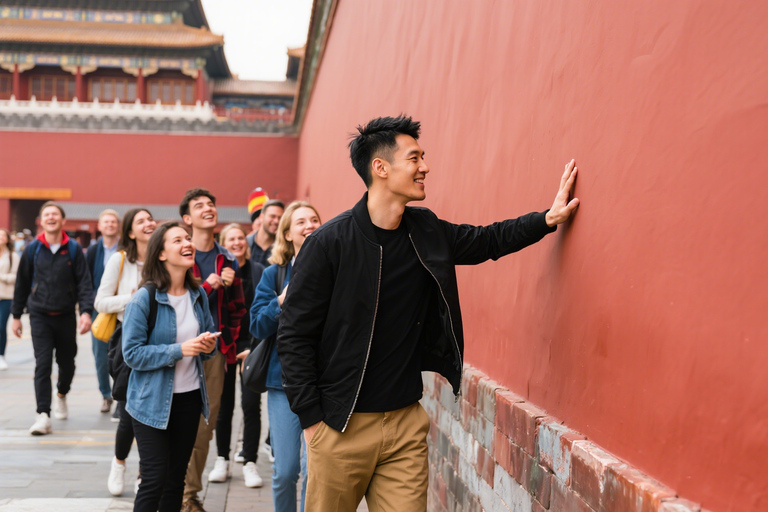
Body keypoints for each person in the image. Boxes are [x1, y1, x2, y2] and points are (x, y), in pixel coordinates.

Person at [276, 116, 580, 511]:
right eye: (414, 157)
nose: (425, 166)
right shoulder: (327, 244)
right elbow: (294, 335)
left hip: (404, 424)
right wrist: (312, 421)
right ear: (380, 168)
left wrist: (546, 219)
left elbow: (486, 239)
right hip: (340, 425)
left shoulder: (426, 230)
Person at [122, 221, 218, 512]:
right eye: (178, 240)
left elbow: (207, 334)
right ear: (161, 254)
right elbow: (132, 353)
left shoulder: (198, 294)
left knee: (176, 480)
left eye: (187, 238)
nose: (187, 243)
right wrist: (180, 350)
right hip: (150, 402)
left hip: (189, 399)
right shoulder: (144, 298)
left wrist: (207, 346)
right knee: (154, 478)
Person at [179, 189, 246, 512]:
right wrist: (207, 285)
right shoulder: (179, 252)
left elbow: (238, 310)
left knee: (206, 426)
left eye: (212, 204)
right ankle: (170, 488)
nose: (209, 209)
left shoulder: (228, 259)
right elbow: (176, 302)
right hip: (179, 351)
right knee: (174, 421)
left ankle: (189, 495)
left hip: (214, 353)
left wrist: (227, 345)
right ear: (187, 219)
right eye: (200, 206)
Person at [252, 201, 321, 512]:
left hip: (327, 383)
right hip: (284, 384)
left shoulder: (337, 269)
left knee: (316, 472)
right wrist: (281, 300)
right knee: (285, 472)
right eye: (301, 222)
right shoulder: (273, 274)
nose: (309, 225)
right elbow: (257, 324)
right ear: (288, 233)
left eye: (315, 220)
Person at [12, 202, 93, 436]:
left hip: (66, 315)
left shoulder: (74, 249)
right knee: (43, 363)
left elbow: (84, 283)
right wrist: (16, 316)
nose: (51, 218)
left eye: (55, 214)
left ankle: (61, 394)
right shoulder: (32, 249)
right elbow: (22, 283)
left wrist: (86, 311)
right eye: (46, 214)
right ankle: (43, 415)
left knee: (67, 364)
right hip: (39, 315)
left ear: (62, 220)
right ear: (41, 221)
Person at [95, 208, 157, 496]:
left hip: (158, 341)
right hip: (128, 341)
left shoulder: (163, 259)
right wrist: (130, 299)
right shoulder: (120, 260)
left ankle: (145, 472)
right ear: (131, 232)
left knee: (152, 410)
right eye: (141, 221)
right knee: (129, 411)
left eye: (150, 219)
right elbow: (101, 302)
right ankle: (119, 463)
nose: (149, 224)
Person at [210, 223, 263, 488]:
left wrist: (254, 348)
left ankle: (250, 461)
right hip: (226, 345)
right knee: (224, 405)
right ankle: (222, 459)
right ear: (223, 243)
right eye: (231, 239)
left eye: (241, 237)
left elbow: (263, 311)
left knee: (251, 405)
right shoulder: (218, 272)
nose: (237, 242)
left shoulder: (258, 271)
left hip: (252, 345)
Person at [87, 209, 121, 414]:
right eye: (106, 222)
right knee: (100, 356)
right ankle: (105, 395)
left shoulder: (126, 249)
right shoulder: (93, 251)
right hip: (99, 310)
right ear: (99, 226)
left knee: (121, 355)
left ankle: (120, 397)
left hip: (122, 308)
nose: (110, 225)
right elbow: (85, 279)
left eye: (113, 222)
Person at [0, 228, 20, 371]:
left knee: (1, 326)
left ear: (7, 239)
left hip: (6, 296)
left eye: (2, 236)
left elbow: (17, 277)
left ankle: (1, 355)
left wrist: (1, 277)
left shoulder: (13, 256)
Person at [247, 199, 284, 268]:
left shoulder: (283, 248)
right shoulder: (246, 244)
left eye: (280, 218)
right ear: (261, 217)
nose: (276, 221)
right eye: (273, 216)